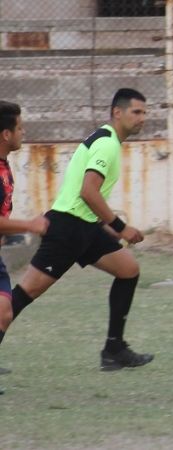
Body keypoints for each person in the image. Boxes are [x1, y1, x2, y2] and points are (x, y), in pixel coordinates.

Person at [1, 88, 153, 374]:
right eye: (137, 112)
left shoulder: (107, 141)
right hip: (68, 226)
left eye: (145, 113)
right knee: (26, 292)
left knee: (128, 269)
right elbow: (88, 191)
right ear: (117, 113)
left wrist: (104, 229)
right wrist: (120, 228)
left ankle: (114, 350)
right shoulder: (107, 144)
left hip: (85, 227)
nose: (142, 118)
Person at [0, 101, 50, 393]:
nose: (24, 133)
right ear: (6, 134)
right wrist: (29, 225)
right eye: (20, 128)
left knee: (4, 312)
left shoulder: (4, 166)